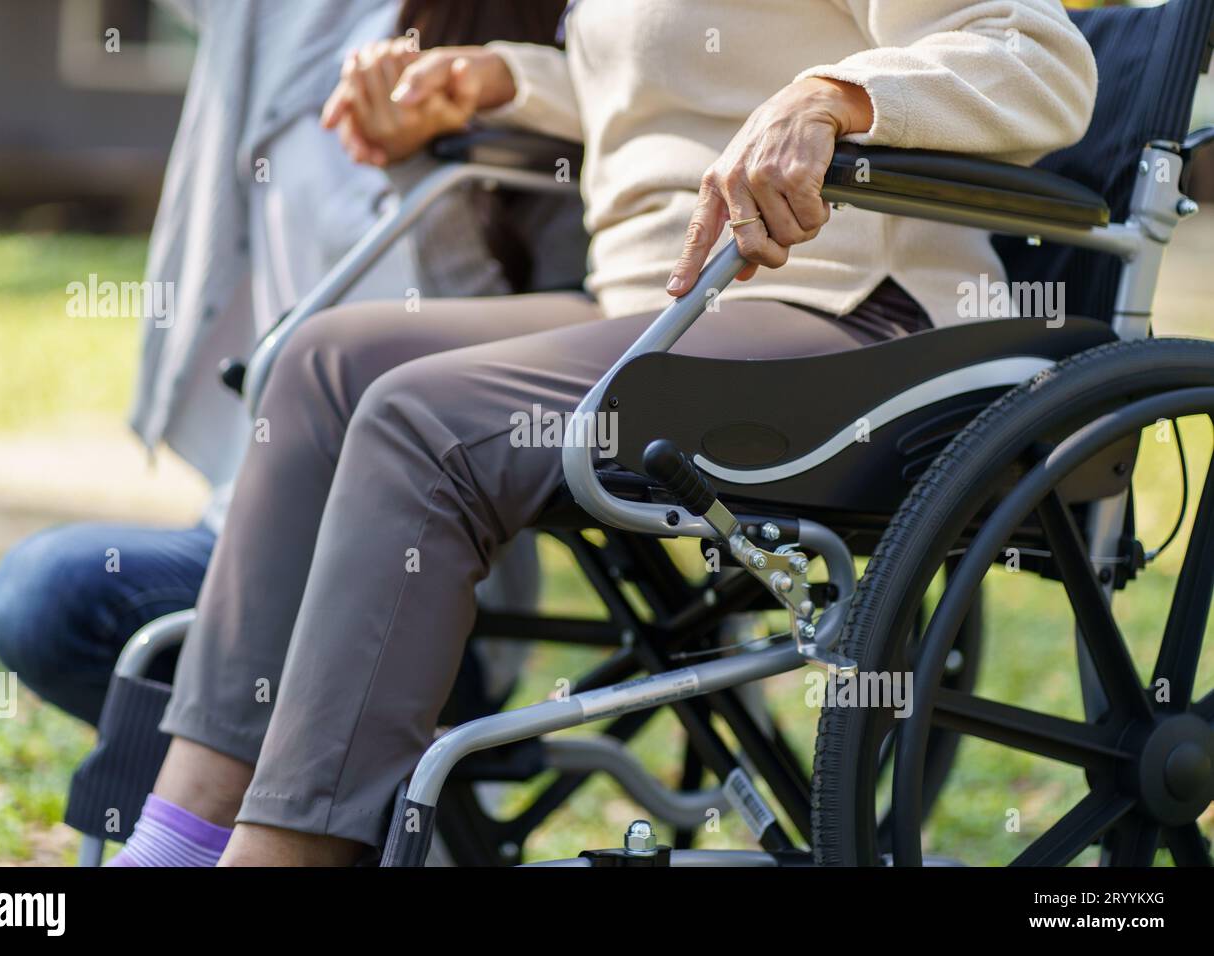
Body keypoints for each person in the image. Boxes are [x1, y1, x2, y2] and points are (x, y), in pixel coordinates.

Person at [107, 0, 1096, 866]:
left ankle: (284, 855)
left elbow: (1037, 55)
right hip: (655, 311)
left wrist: (832, 96)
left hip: (847, 314)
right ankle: (182, 830)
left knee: (426, 422)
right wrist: (495, 80)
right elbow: (680, 88)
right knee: (321, 363)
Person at [0, 0, 578, 727]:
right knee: (40, 598)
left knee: (52, 596)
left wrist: (420, 172)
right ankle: (305, 819)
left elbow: (532, 367)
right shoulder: (284, 20)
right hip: (251, 524)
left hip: (434, 573)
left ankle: (302, 816)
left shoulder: (552, 54)